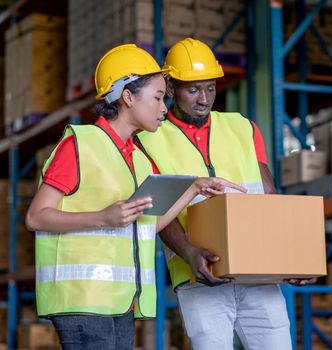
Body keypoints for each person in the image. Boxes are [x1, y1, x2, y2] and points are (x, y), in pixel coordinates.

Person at [25, 43, 246, 350]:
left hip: (120, 302)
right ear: (127, 96)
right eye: (157, 97)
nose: (164, 109)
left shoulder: (138, 159)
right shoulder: (82, 145)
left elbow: (147, 227)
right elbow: (36, 216)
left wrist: (193, 188)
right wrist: (102, 217)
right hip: (82, 299)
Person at [136, 38, 315, 350]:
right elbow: (156, 211)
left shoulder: (242, 127)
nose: (204, 98)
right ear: (170, 85)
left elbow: (269, 195)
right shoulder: (150, 139)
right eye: (193, 89)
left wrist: (292, 257)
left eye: (211, 87)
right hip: (199, 276)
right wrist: (190, 253)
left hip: (259, 274)